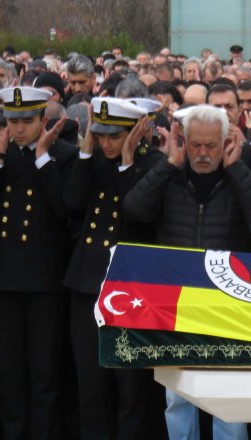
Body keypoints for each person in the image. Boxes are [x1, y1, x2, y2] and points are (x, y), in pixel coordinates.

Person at [123, 105, 251, 440]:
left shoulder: (239, 175)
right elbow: (134, 210)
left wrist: (236, 169)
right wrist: (170, 164)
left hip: (229, 300)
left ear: (226, 142)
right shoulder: (169, 173)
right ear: (183, 140)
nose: (202, 153)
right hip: (175, 300)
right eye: (195, 145)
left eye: (211, 146)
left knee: (229, 398)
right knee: (177, 397)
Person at [0, 86, 79, 439]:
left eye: (27, 121)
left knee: (44, 376)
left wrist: (42, 158)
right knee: (9, 376)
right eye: (13, 120)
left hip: (44, 281)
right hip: (2, 280)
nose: (19, 128)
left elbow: (65, 207)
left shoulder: (61, 156)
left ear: (43, 121)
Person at [62, 97, 166, 439]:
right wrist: (87, 149)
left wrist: (127, 163)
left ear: (137, 131)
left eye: (114, 136)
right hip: (87, 283)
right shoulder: (93, 159)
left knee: (130, 389)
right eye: (101, 134)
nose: (106, 142)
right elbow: (73, 203)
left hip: (129, 287)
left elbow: (137, 214)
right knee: (90, 385)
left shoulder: (152, 165)